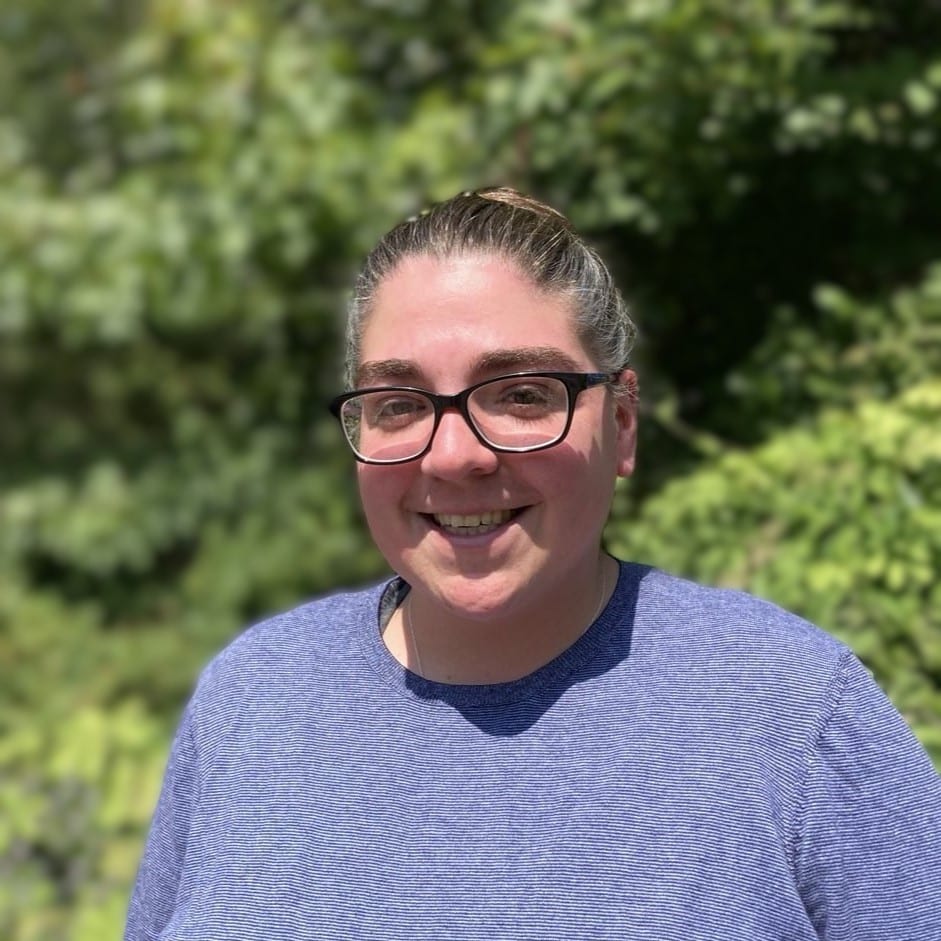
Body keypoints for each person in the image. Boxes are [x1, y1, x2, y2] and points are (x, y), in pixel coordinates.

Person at [124, 188, 941, 940]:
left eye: (519, 395)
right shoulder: (250, 700)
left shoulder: (790, 714)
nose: (451, 456)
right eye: (399, 403)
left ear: (620, 424)